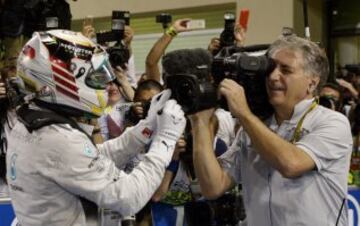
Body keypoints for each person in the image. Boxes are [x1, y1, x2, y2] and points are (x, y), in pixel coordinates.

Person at [5, 30, 186, 226]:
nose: (106, 86)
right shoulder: (58, 139)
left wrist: (147, 128)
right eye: (94, 77)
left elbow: (92, 156)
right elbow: (128, 197)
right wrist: (165, 139)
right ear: (64, 80)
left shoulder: (31, 118)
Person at [189, 34, 353, 226]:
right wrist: (199, 121)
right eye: (271, 68)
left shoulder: (332, 122)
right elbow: (213, 186)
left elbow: (291, 164)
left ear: (312, 82)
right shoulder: (256, 127)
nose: (273, 76)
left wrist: (244, 113)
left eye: (286, 70)